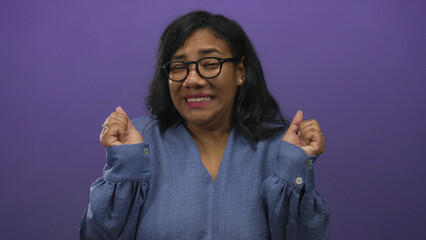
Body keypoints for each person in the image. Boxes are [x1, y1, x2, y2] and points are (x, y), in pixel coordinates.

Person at [79, 10, 330, 240]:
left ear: (240, 71)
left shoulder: (278, 149)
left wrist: (294, 166)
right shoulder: (139, 142)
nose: (192, 80)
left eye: (209, 64)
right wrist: (125, 166)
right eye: (178, 67)